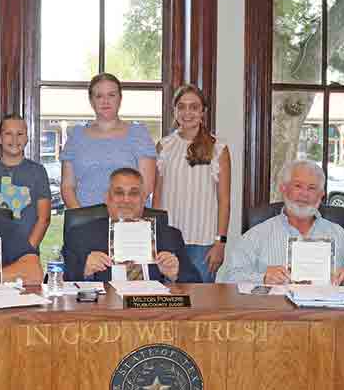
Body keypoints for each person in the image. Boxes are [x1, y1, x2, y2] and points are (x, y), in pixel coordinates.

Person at [219, 160, 344, 287]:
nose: (304, 194)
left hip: (327, 317)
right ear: (284, 189)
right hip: (275, 317)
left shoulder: (338, 234)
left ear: (321, 196)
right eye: (298, 186)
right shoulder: (257, 235)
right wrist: (263, 278)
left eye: (312, 188)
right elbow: (230, 277)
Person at [63, 168, 199, 283]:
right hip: (103, 310)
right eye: (119, 193)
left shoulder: (170, 235)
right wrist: (85, 271)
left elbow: (196, 283)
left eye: (134, 193)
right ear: (107, 198)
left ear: (143, 198)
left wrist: (176, 274)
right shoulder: (80, 235)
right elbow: (60, 281)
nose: (126, 200)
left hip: (152, 309)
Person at [153, 84, 231, 283]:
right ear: (174, 110)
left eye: (194, 107)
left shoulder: (218, 148)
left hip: (204, 244)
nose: (187, 112)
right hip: (169, 240)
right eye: (181, 106)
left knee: (200, 307)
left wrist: (220, 243)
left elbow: (224, 201)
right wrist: (154, 237)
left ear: (203, 111)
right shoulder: (164, 146)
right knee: (170, 305)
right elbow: (157, 196)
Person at [60, 73, 157, 208]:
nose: (105, 101)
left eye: (111, 95)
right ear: (91, 101)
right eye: (99, 96)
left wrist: (122, 216)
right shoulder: (76, 136)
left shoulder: (139, 134)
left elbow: (146, 186)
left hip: (129, 221)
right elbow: (67, 186)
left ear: (120, 98)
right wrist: (82, 217)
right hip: (86, 222)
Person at [0, 114, 51, 248]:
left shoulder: (38, 171)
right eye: (8, 133)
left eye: (20, 134)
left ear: (27, 139)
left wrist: (27, 250)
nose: (14, 139)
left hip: (28, 248)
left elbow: (44, 219)